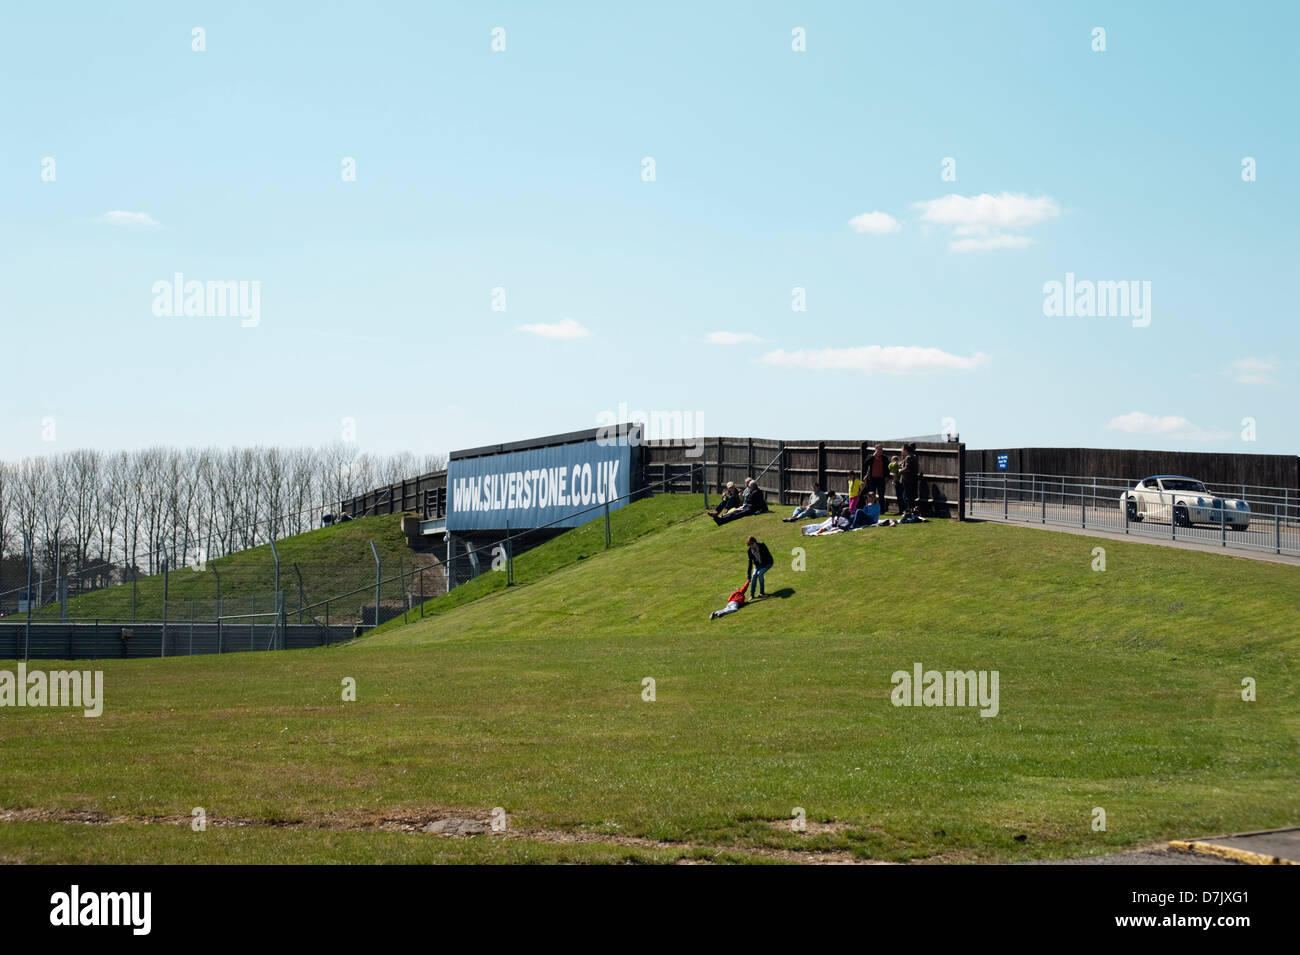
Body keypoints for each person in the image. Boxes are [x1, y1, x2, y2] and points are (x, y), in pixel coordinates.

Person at [899, 443, 920, 515]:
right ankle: (911, 511)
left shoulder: (908, 457)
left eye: (902, 450)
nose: (901, 451)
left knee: (906, 497)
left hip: (908, 479)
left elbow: (907, 468)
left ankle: (909, 511)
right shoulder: (913, 456)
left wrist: (900, 470)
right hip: (912, 479)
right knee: (910, 496)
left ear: (906, 450)